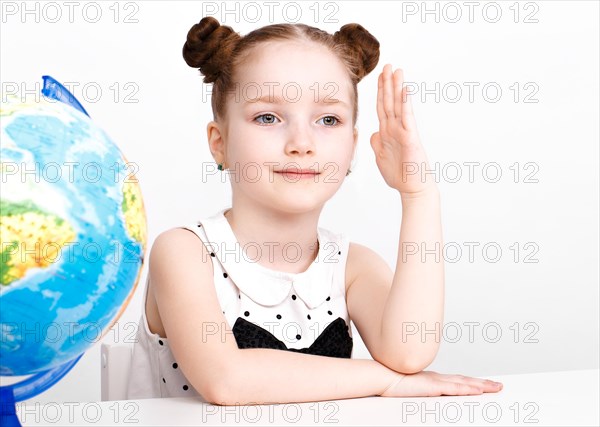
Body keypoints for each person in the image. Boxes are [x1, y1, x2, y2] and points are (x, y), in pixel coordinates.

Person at [127, 16, 503, 405]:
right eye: (267, 117)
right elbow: (227, 380)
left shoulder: (352, 266)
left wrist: (419, 194)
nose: (302, 143)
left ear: (352, 145)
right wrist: (384, 380)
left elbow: (409, 352)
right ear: (219, 143)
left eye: (328, 119)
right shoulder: (183, 253)